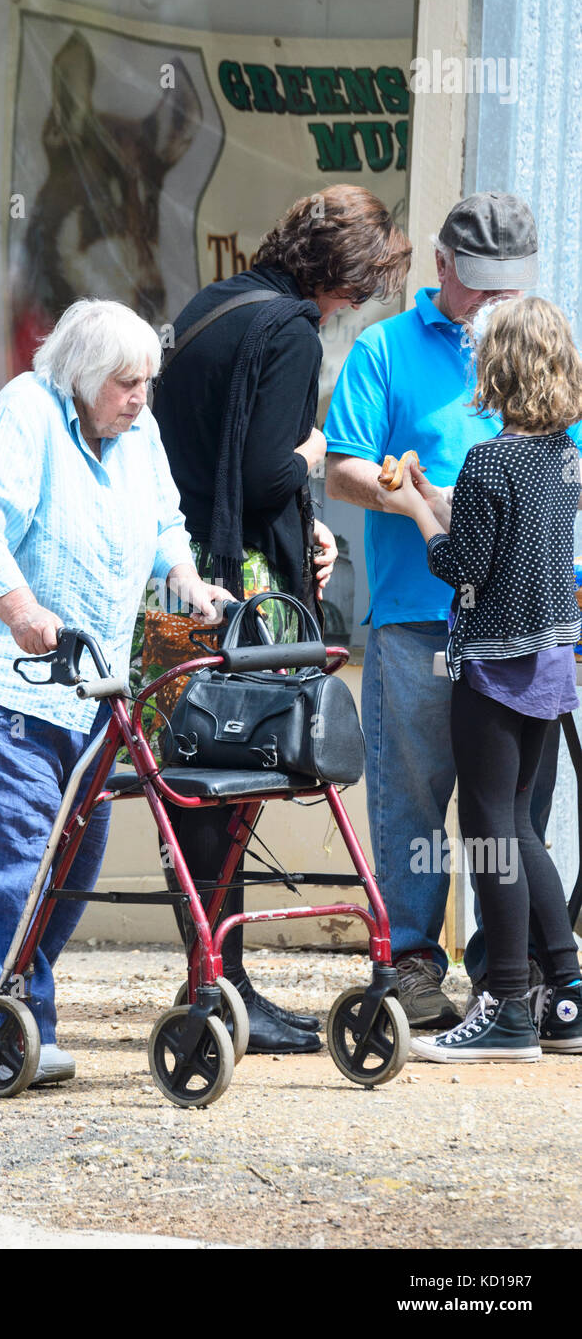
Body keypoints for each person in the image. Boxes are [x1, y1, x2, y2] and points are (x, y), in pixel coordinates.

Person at [0, 300, 230, 1085]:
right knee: (4, 855)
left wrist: (184, 578)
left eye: (147, 380)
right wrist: (17, 607)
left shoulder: (136, 431)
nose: (140, 396)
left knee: (75, 851)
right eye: (124, 382)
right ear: (80, 376)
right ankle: (14, 1028)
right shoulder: (27, 411)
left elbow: (163, 522)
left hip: (81, 684)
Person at [149, 184, 412, 1054]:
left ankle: (215, 982)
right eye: (361, 287)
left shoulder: (212, 304)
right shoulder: (291, 328)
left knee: (191, 788)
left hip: (172, 584)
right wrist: (313, 454)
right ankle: (227, 993)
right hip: (237, 597)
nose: (355, 307)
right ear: (339, 275)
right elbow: (266, 473)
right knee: (233, 788)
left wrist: (310, 532)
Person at [323, 191, 582, 1030]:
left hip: (524, 629)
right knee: (415, 795)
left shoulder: (531, 344)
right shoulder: (385, 348)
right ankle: (414, 964)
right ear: (442, 267)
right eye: (481, 286)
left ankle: (520, 976)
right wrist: (414, 499)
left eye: (511, 286)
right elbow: (342, 469)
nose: (495, 302)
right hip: (417, 615)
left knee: (512, 813)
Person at [385, 296, 582, 1061]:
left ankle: (505, 1006)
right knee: (521, 826)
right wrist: (438, 500)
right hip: (550, 663)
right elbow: (501, 534)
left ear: (499, 366)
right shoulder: (562, 454)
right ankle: (564, 990)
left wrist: (413, 511)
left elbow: (459, 563)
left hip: (495, 670)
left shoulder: (492, 458)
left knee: (489, 831)